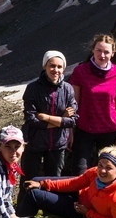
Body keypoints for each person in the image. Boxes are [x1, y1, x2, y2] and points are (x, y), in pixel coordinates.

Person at [21, 145, 116, 218]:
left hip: (80, 212)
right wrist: (43, 184)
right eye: (100, 165)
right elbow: (74, 183)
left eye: (109, 168)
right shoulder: (94, 173)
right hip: (79, 195)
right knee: (35, 181)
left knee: (33, 194)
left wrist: (88, 213)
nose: (102, 171)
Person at [67, 34, 116, 174]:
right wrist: (69, 131)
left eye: (106, 52)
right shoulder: (81, 71)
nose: (102, 55)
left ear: (113, 53)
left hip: (109, 129)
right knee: (79, 170)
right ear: (92, 50)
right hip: (84, 129)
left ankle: (104, 196)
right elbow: (73, 103)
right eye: (98, 50)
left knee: (108, 171)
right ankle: (80, 196)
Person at [21, 50, 78, 179]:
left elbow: (73, 120)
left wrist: (46, 117)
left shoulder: (67, 89)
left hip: (57, 145)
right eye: (52, 66)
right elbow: (31, 119)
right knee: (28, 182)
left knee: (54, 183)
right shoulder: (33, 88)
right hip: (34, 143)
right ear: (45, 66)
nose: (55, 70)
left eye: (59, 67)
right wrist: (61, 120)